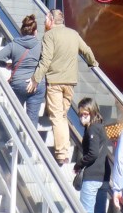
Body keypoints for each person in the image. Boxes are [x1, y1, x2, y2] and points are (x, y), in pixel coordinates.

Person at [26, 8, 97, 167]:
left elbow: (45, 61)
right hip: (70, 83)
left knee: (57, 117)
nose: (44, 22)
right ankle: (64, 149)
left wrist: (35, 79)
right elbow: (86, 50)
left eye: (46, 19)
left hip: (55, 83)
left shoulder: (49, 36)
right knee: (62, 116)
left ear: (52, 20)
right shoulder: (73, 34)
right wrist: (93, 63)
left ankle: (61, 154)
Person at [73, 96, 123, 213]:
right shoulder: (100, 127)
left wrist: (79, 164)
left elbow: (93, 153)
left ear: (92, 112)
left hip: (92, 178)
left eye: (85, 114)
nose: (82, 118)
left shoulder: (92, 129)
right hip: (103, 179)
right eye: (80, 115)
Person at [0, 14, 45, 125]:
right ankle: (31, 136)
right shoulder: (41, 46)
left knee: (15, 116)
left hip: (18, 84)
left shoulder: (14, 45)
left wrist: (6, 65)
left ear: (21, 31)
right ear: (35, 32)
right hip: (36, 84)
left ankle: (14, 133)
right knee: (32, 119)